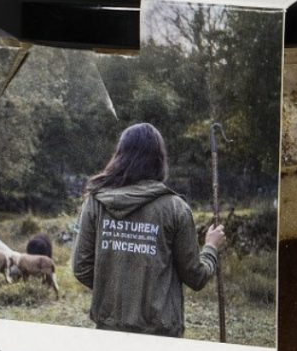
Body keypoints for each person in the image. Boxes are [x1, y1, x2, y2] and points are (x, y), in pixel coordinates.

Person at [73, 122, 226, 338]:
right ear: (159, 159)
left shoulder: (96, 202)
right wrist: (211, 247)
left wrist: (114, 294)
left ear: (120, 156)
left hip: (109, 332)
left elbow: (81, 268)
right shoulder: (175, 208)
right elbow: (195, 277)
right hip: (160, 335)